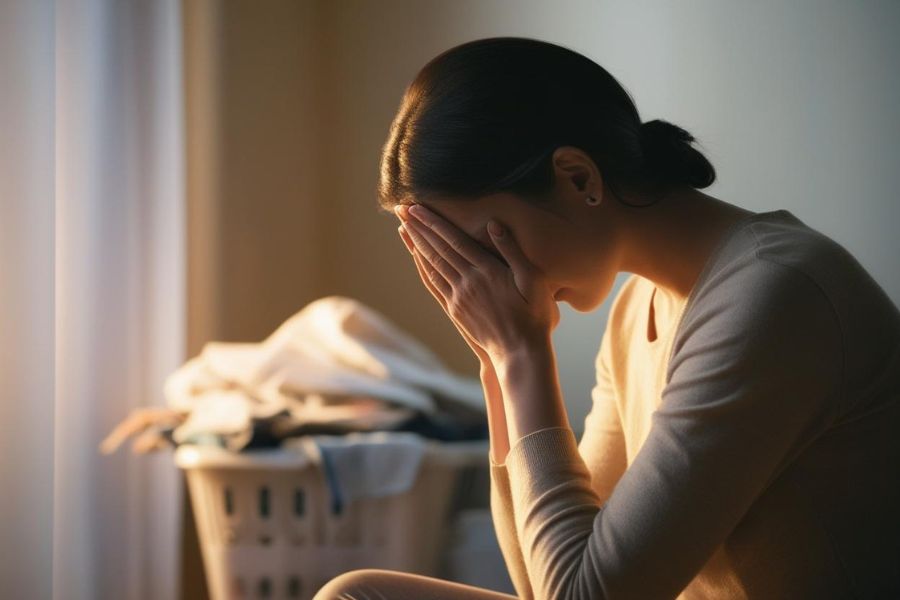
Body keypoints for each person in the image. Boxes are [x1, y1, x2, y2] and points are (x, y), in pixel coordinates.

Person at [313, 36, 900, 600]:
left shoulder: (775, 293)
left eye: (488, 247)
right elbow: (543, 580)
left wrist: (523, 354)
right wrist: (496, 360)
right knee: (357, 595)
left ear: (579, 179)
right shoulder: (632, 313)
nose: (491, 285)